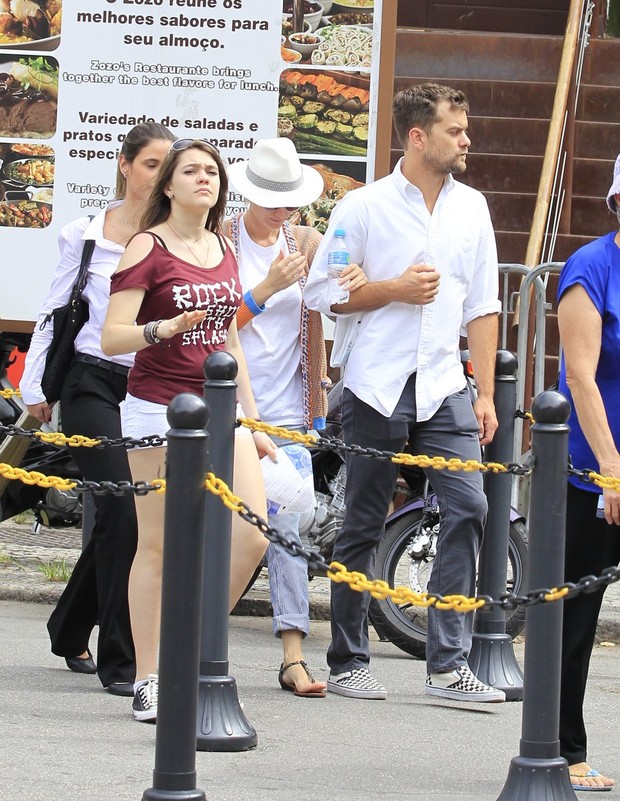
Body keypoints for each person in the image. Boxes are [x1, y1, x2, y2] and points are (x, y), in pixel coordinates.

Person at [303, 82, 504, 702]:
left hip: (445, 382)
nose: (467, 140)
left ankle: (447, 666)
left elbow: (484, 305)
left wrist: (487, 394)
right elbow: (322, 294)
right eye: (455, 130)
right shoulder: (361, 207)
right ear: (418, 136)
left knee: (470, 506)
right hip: (376, 381)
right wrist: (390, 288)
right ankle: (347, 659)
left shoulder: (473, 207)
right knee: (364, 518)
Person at [101, 138, 276, 722]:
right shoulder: (146, 247)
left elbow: (229, 339)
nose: (205, 178)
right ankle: (149, 676)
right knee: (157, 544)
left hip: (222, 409)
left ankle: (188, 651)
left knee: (252, 535)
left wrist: (252, 420)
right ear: (168, 186)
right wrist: (165, 327)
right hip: (158, 408)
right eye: (192, 171)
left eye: (212, 171)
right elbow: (113, 337)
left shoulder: (225, 247)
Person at [19, 122, 176, 696]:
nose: (159, 174)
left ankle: (67, 627)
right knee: (122, 512)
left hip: (149, 386)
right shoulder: (86, 233)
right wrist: (37, 385)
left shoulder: (172, 237)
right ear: (126, 165)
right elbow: (55, 309)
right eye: (151, 162)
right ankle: (123, 661)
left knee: (128, 519)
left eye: (169, 164)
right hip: (91, 381)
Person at [224, 138, 367, 697]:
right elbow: (215, 324)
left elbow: (329, 299)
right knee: (230, 531)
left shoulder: (306, 240)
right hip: (227, 403)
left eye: (288, 200)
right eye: (270, 199)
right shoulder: (221, 243)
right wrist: (263, 291)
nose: (281, 210)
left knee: (285, 527)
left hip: (287, 407)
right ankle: (190, 640)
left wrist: (346, 283)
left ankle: (292, 654)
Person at [555, 155, 620, 792]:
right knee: (578, 612)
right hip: (591, 465)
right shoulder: (591, 268)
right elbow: (580, 375)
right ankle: (563, 745)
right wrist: (611, 467)